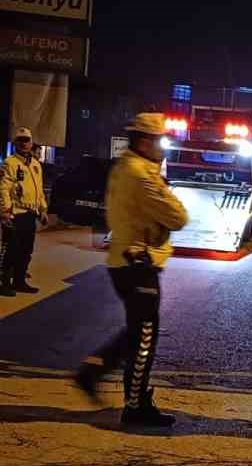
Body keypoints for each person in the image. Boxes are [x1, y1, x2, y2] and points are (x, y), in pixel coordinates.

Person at [74, 112, 188, 428]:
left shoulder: (126, 167)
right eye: (161, 141)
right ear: (144, 141)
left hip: (125, 261)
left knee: (137, 333)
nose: (164, 148)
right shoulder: (142, 175)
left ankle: (94, 373)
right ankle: (134, 406)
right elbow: (178, 218)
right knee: (144, 337)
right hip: (138, 264)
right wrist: (165, 189)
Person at [0, 128, 48, 296]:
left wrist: (43, 209)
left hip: (30, 214)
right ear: (15, 143)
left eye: (26, 140)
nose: (24, 143)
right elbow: (3, 188)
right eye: (20, 140)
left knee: (26, 251)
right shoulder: (10, 163)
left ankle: (19, 282)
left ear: (31, 143)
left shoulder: (35, 164)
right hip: (15, 214)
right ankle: (4, 283)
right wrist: (5, 211)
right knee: (10, 251)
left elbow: (39, 190)